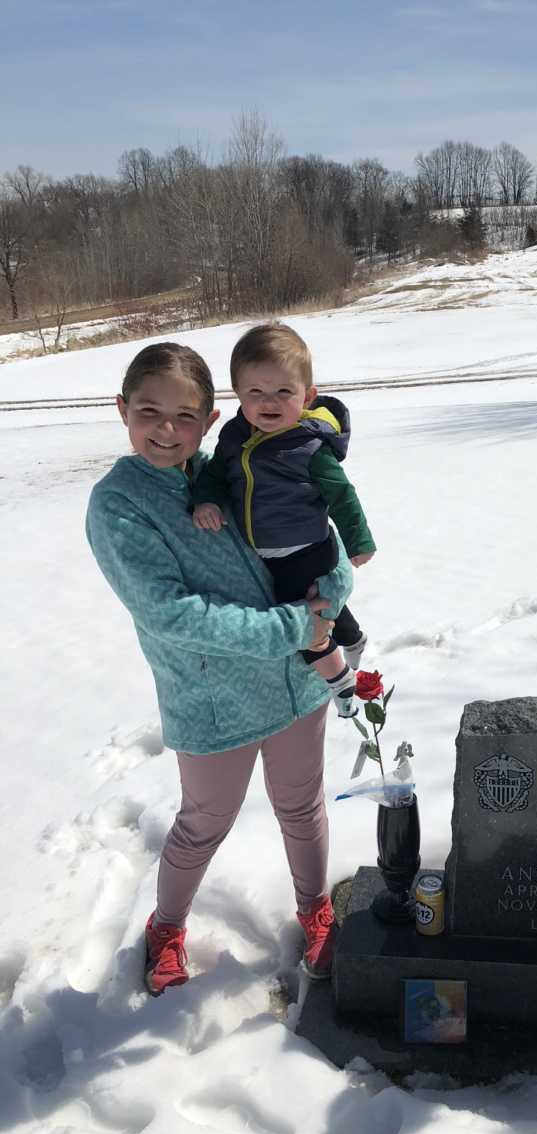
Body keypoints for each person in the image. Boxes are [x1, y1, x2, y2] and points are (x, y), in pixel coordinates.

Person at [86, 342, 353, 996]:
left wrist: (335, 586)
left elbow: (317, 535)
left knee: (301, 807)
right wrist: (299, 626)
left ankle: (316, 910)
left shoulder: (235, 469)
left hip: (294, 687)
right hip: (212, 700)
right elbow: (173, 613)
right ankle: (167, 929)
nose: (166, 429)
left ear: (209, 420)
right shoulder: (118, 505)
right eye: (149, 411)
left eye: (185, 415)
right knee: (203, 824)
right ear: (123, 410)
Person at [192, 323, 375, 719]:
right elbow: (215, 475)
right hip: (263, 551)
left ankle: (340, 682)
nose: (268, 402)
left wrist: (359, 540)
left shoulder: (309, 448)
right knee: (322, 602)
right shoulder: (233, 437)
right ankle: (353, 637)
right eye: (255, 392)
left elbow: (341, 493)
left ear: (306, 396)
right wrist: (206, 499)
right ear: (239, 395)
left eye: (283, 392)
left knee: (303, 615)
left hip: (305, 547)